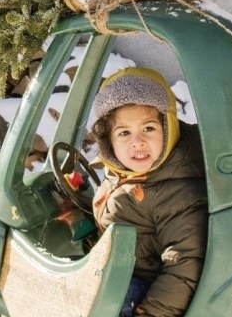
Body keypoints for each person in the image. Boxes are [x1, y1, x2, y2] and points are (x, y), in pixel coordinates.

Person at [90, 67, 208, 317]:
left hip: (146, 289)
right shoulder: (125, 171)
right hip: (121, 270)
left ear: (168, 129)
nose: (138, 141)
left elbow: (185, 263)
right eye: (124, 132)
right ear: (108, 141)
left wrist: (150, 313)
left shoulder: (176, 190)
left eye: (149, 128)